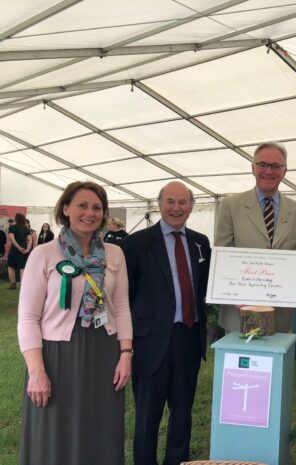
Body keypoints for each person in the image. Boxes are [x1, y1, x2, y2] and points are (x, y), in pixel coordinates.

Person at [17, 181, 133, 465]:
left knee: (100, 429)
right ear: (66, 208)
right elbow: (28, 318)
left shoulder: (115, 254)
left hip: (104, 353)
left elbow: (121, 307)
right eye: (82, 205)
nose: (90, 213)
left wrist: (126, 354)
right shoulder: (42, 255)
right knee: (55, 431)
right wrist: (36, 371)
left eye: (96, 207)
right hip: (57, 356)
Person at [122, 181, 211, 465]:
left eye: (182, 202)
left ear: (191, 207)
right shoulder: (136, 243)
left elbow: (207, 286)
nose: (176, 208)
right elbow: (126, 294)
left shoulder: (200, 242)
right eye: (170, 202)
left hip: (189, 335)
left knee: (183, 412)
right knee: (147, 416)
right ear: (159, 205)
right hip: (150, 341)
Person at [215, 141, 296, 333]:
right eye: (263, 165)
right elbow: (222, 255)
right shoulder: (230, 206)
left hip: (279, 314)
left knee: (276, 362)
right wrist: (236, 290)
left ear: (284, 171)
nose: (269, 171)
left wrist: (286, 274)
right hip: (239, 312)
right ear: (252, 168)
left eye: (276, 166)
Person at [7, 213, 32, 289]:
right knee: (22, 267)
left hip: (15, 249)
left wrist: (18, 247)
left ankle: (13, 284)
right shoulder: (26, 228)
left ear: (16, 219)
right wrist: (27, 249)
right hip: (24, 249)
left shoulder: (12, 227)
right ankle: (22, 285)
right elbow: (30, 240)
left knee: (11, 266)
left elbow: (12, 239)